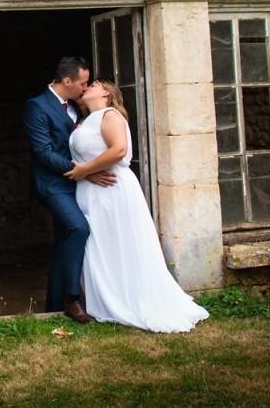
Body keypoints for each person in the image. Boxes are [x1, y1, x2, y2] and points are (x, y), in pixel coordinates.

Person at [65, 79, 210, 332]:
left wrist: (84, 171)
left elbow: (119, 150)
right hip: (91, 193)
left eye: (94, 84)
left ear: (106, 94)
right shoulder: (86, 120)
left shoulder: (109, 115)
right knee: (102, 246)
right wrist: (86, 174)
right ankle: (110, 298)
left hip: (112, 191)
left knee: (121, 244)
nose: (87, 86)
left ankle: (130, 299)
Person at [23, 56, 114, 324]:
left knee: (65, 242)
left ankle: (54, 306)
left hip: (81, 184)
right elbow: (43, 152)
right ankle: (72, 299)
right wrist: (84, 171)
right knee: (79, 228)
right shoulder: (36, 106)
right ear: (66, 81)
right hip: (53, 185)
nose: (85, 88)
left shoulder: (79, 106)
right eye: (83, 83)